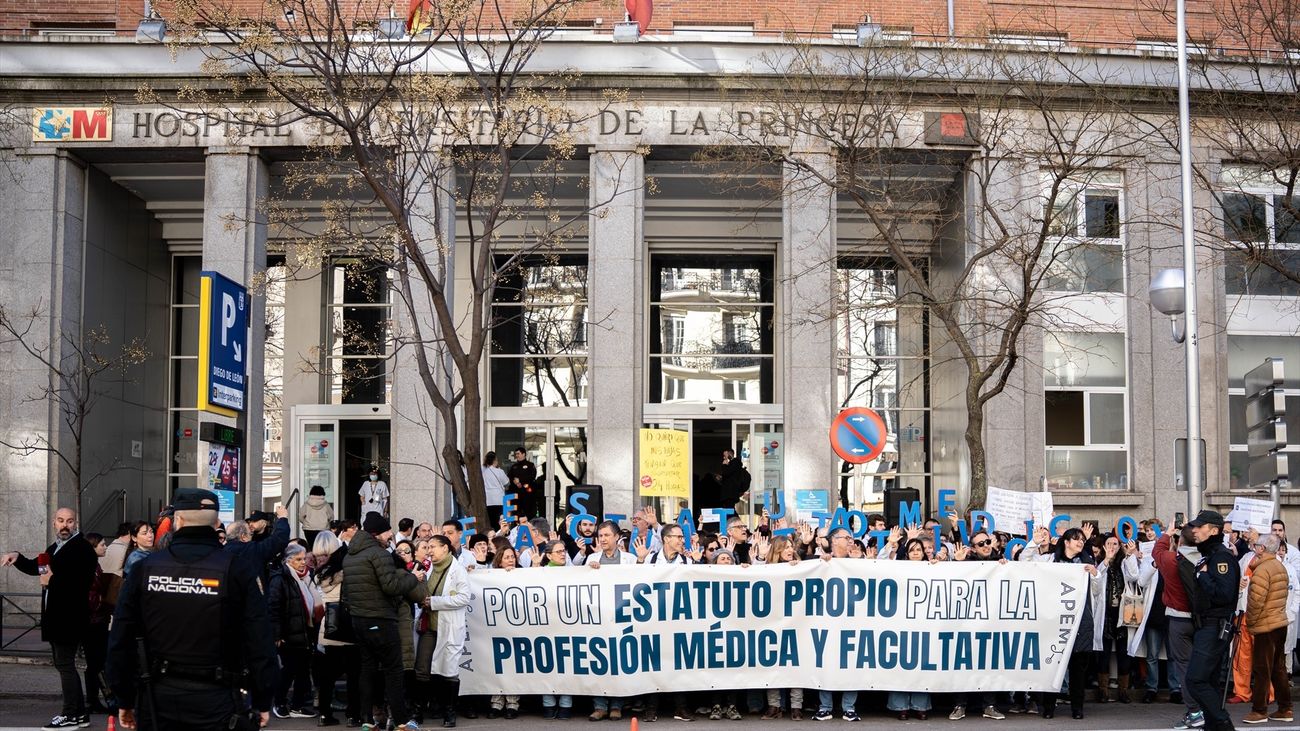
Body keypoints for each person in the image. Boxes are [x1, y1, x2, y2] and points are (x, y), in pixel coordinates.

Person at [105, 488, 276, 730]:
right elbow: (259, 638)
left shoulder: (146, 569)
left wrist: (123, 697)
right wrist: (262, 698)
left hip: (158, 697)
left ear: (178, 520)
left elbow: (120, 637)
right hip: (218, 700)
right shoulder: (237, 569)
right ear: (216, 522)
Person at [1, 507, 99, 730]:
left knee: (65, 664)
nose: (65, 525)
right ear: (54, 523)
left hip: (69, 618)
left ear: (76, 523)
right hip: (57, 617)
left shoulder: (82, 549)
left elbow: (80, 584)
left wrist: (52, 582)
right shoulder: (56, 547)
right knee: (64, 664)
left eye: (70, 521)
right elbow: (39, 567)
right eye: (61, 521)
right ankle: (80, 715)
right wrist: (17, 557)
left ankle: (69, 715)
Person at [342, 512, 428, 731]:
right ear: (376, 533)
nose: (391, 535)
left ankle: (367, 719)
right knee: (393, 670)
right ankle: (401, 720)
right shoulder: (378, 554)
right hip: (380, 619)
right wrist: (412, 577)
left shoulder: (350, 555)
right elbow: (391, 586)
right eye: (387, 531)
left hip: (359, 621)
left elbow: (348, 593)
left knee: (368, 670)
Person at [1023, 525, 1105, 720]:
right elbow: (1024, 561)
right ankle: (1049, 707)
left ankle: (1077, 708)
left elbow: (1095, 591)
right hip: (1055, 623)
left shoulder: (1086, 563)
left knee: (1078, 669)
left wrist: (1095, 574)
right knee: (1054, 667)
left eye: (1082, 540)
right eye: (1076, 539)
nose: (1080, 542)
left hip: (1080, 623)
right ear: (1066, 542)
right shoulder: (1050, 560)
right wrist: (1034, 542)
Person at [1183, 510, 1242, 731]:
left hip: (1214, 626)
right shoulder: (1210, 555)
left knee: (1195, 680)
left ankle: (1223, 724)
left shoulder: (1221, 557)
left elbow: (1224, 595)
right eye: (1194, 527)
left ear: (1214, 530)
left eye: (1200, 526)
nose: (1194, 530)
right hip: (1207, 626)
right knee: (1208, 682)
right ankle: (1213, 727)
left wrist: (1203, 576)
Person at [415, 534, 471, 729]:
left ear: (445, 548)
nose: (429, 551)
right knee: (422, 668)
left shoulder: (458, 571)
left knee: (449, 671)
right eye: (428, 547)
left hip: (448, 628)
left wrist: (435, 602)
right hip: (429, 627)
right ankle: (418, 711)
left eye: (433, 547)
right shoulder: (429, 569)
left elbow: (464, 597)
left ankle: (449, 712)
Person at [267, 543, 322, 720]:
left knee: (302, 670)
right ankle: (280, 702)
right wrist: (277, 634)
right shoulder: (281, 578)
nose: (303, 562)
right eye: (298, 559)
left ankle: (297, 705)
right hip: (288, 633)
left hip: (303, 631)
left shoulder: (305, 578)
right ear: (288, 560)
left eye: (304, 558)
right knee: (289, 669)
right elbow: (273, 608)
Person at [1242, 533, 1292, 724]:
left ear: (1262, 548)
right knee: (1278, 667)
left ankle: (1259, 710)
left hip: (1266, 624)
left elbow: (1255, 601)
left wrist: (1252, 623)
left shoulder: (1262, 570)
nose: (1254, 547)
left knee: (1262, 668)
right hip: (1279, 621)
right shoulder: (1279, 566)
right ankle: (1285, 708)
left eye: (1256, 545)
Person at [312, 530, 360, 727]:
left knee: (327, 677)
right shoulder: (349, 566)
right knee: (354, 675)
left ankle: (324, 714)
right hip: (350, 625)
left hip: (329, 627)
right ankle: (353, 714)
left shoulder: (319, 572)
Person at [1154, 522, 1200, 726]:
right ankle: (1208, 709)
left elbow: (1157, 551)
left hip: (1179, 619)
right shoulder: (1206, 560)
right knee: (1203, 667)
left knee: (1184, 666)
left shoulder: (1171, 560)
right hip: (1203, 620)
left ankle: (1195, 712)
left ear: (1179, 541)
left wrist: (1166, 533)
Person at [887, 538, 932, 721]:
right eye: (912, 549)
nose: (915, 552)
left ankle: (921, 706)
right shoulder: (898, 568)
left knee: (922, 664)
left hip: (924, 623)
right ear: (907, 553)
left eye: (918, 549)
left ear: (923, 553)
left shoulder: (933, 568)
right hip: (900, 623)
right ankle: (900, 706)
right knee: (901, 664)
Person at [225, 505, 290, 590]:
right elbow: (279, 539)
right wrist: (282, 518)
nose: (251, 526)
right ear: (243, 536)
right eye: (249, 534)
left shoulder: (221, 552)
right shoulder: (250, 550)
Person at [84, 533, 113, 714]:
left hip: (96, 620)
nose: (105, 547)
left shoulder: (95, 565)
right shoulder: (90, 566)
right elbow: (91, 596)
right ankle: (94, 700)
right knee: (95, 662)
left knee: (96, 662)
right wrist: (103, 603)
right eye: (102, 544)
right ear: (93, 547)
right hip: (93, 621)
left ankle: (94, 699)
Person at [506, 448, 538, 518]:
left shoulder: (530, 465)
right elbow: (509, 477)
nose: (516, 455)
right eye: (516, 454)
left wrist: (520, 481)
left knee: (528, 514)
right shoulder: (514, 466)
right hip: (516, 496)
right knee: (516, 514)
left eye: (518, 454)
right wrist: (515, 482)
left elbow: (532, 477)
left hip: (527, 495)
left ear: (523, 454)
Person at [482, 452, 510, 526]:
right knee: (500, 520)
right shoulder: (499, 471)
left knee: (491, 521)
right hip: (498, 500)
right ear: (495, 460)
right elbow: (506, 482)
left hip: (488, 500)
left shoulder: (483, 471)